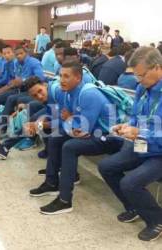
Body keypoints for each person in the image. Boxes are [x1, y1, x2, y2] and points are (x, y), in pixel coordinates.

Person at [29, 60, 123, 215]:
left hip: (109, 137)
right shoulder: (68, 94)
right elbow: (72, 124)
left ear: (78, 78)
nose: (62, 80)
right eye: (60, 76)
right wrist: (67, 120)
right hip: (94, 132)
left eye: (67, 76)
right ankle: (52, 182)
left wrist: (69, 119)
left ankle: (65, 200)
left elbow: (83, 129)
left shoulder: (88, 94)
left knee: (70, 147)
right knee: (55, 137)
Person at [98, 47, 162, 242]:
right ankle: (133, 206)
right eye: (136, 76)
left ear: (157, 68)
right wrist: (127, 126)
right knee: (106, 166)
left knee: (130, 182)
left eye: (141, 75)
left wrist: (140, 133)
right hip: (142, 145)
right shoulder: (143, 89)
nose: (138, 80)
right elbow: (136, 117)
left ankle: (156, 220)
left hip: (158, 152)